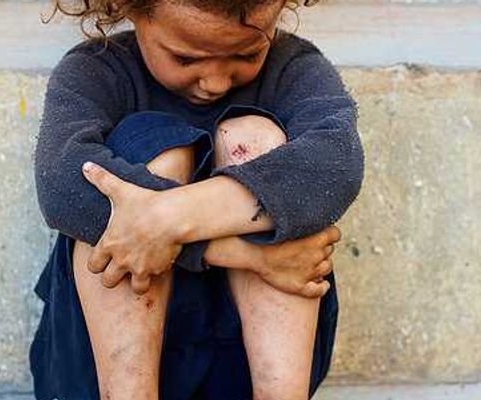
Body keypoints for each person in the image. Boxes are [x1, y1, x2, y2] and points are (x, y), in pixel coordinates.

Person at [30, 0, 364, 398]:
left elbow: (335, 164)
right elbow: (63, 188)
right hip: (101, 364)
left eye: (246, 53)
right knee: (151, 144)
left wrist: (168, 218)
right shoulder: (96, 70)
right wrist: (247, 254)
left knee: (254, 139)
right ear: (128, 8)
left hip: (238, 354)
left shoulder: (294, 67)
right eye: (186, 58)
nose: (216, 82)